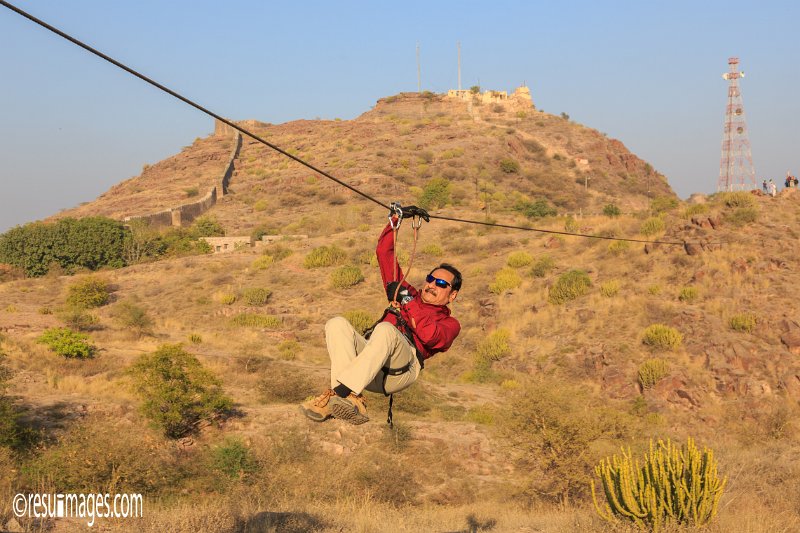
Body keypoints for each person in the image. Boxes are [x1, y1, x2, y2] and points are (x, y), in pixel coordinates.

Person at [300, 205, 462, 425]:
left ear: (452, 295)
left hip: (400, 371)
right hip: (370, 369)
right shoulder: (407, 293)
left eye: (441, 283)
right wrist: (396, 219)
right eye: (431, 279)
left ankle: (337, 394)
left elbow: (430, 336)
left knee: (386, 329)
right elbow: (384, 254)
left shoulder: (450, 324)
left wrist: (406, 300)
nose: (433, 284)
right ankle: (350, 398)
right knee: (336, 324)